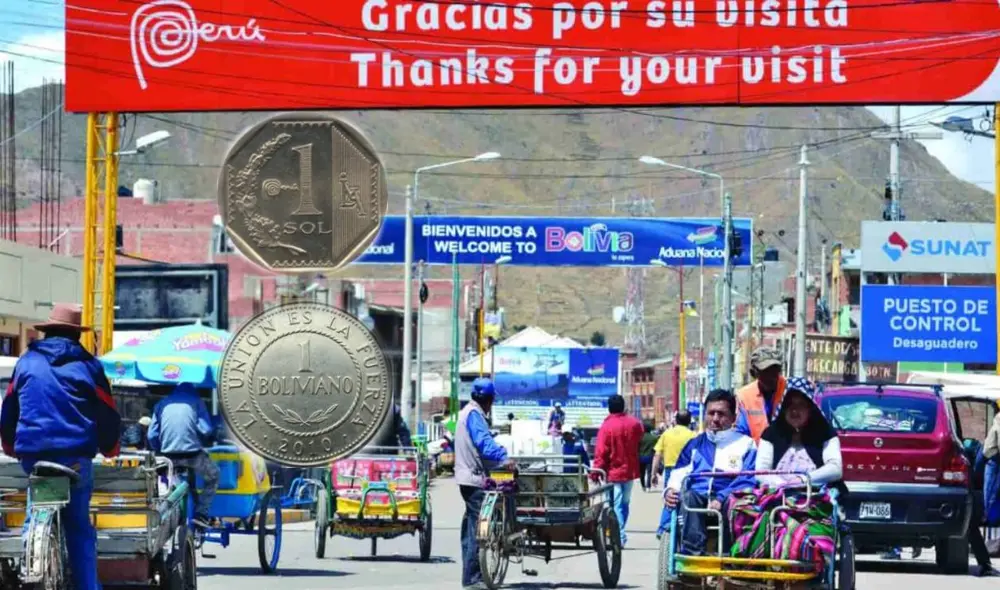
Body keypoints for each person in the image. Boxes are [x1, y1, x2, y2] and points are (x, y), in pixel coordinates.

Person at [0, 303, 121, 590]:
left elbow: (8, 411)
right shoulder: (89, 366)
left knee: (36, 509)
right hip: (74, 458)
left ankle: (33, 553)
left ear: (46, 332)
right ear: (76, 336)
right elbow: (107, 414)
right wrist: (111, 448)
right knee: (78, 528)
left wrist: (9, 446)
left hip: (34, 457)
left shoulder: (26, 363)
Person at [663, 389, 756, 556]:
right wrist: (670, 490)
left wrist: (721, 497)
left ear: (733, 418)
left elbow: (748, 478)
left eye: (721, 414)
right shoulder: (695, 444)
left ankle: (731, 555)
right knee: (688, 496)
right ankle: (693, 555)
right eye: (711, 413)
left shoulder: (746, 444)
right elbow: (679, 473)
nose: (715, 419)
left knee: (735, 501)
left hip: (729, 498)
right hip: (698, 497)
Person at [456, 377, 513, 590]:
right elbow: (484, 444)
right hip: (473, 478)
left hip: (466, 477)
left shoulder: (466, 413)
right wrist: (504, 457)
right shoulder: (474, 416)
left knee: (471, 527)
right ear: (488, 400)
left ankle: (470, 575)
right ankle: (473, 578)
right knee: (478, 530)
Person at [147, 382, 219, 528]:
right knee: (213, 476)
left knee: (166, 483)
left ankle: (162, 512)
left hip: (167, 457)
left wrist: (160, 450)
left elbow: (151, 435)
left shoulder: (161, 403)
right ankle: (202, 514)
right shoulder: (197, 402)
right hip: (192, 455)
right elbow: (206, 429)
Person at [754, 377, 843, 491]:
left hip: (817, 497)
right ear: (784, 409)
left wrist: (803, 480)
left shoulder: (825, 432)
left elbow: (835, 469)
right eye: (790, 405)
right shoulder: (771, 433)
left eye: (800, 404)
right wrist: (784, 485)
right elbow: (761, 472)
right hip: (778, 495)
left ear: (810, 408)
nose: (794, 411)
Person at [590, 394, 644, 547]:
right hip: (630, 471)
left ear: (609, 408)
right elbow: (639, 440)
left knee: (616, 504)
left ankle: (619, 536)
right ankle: (617, 531)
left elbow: (601, 452)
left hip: (613, 472)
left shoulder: (606, 427)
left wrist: (596, 471)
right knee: (624, 504)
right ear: (623, 406)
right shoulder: (634, 424)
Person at [652, 411, 697, 538]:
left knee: (670, 500)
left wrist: (653, 474)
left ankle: (663, 528)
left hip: (670, 470)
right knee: (685, 499)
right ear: (689, 422)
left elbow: (657, 454)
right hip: (688, 471)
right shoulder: (693, 435)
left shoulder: (667, 434)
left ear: (676, 420)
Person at [735, 347, 787, 442]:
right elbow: (740, 434)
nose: (771, 377)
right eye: (765, 372)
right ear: (754, 373)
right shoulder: (745, 396)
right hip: (755, 453)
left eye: (774, 371)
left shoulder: (790, 389)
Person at [639, 422, 658, 492]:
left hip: (640, 457)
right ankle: (648, 486)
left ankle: (643, 486)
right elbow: (656, 448)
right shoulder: (654, 438)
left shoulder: (640, 437)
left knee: (642, 473)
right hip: (650, 457)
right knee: (649, 472)